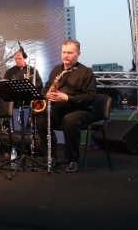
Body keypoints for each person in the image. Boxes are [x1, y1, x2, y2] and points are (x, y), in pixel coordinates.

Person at [35, 40, 96, 174]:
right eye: (64, 52)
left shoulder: (86, 73)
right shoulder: (56, 70)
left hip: (80, 110)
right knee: (41, 118)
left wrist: (67, 97)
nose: (66, 55)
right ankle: (50, 156)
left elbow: (90, 97)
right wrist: (46, 95)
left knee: (69, 120)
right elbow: (45, 89)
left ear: (78, 54)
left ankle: (72, 160)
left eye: (70, 52)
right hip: (59, 109)